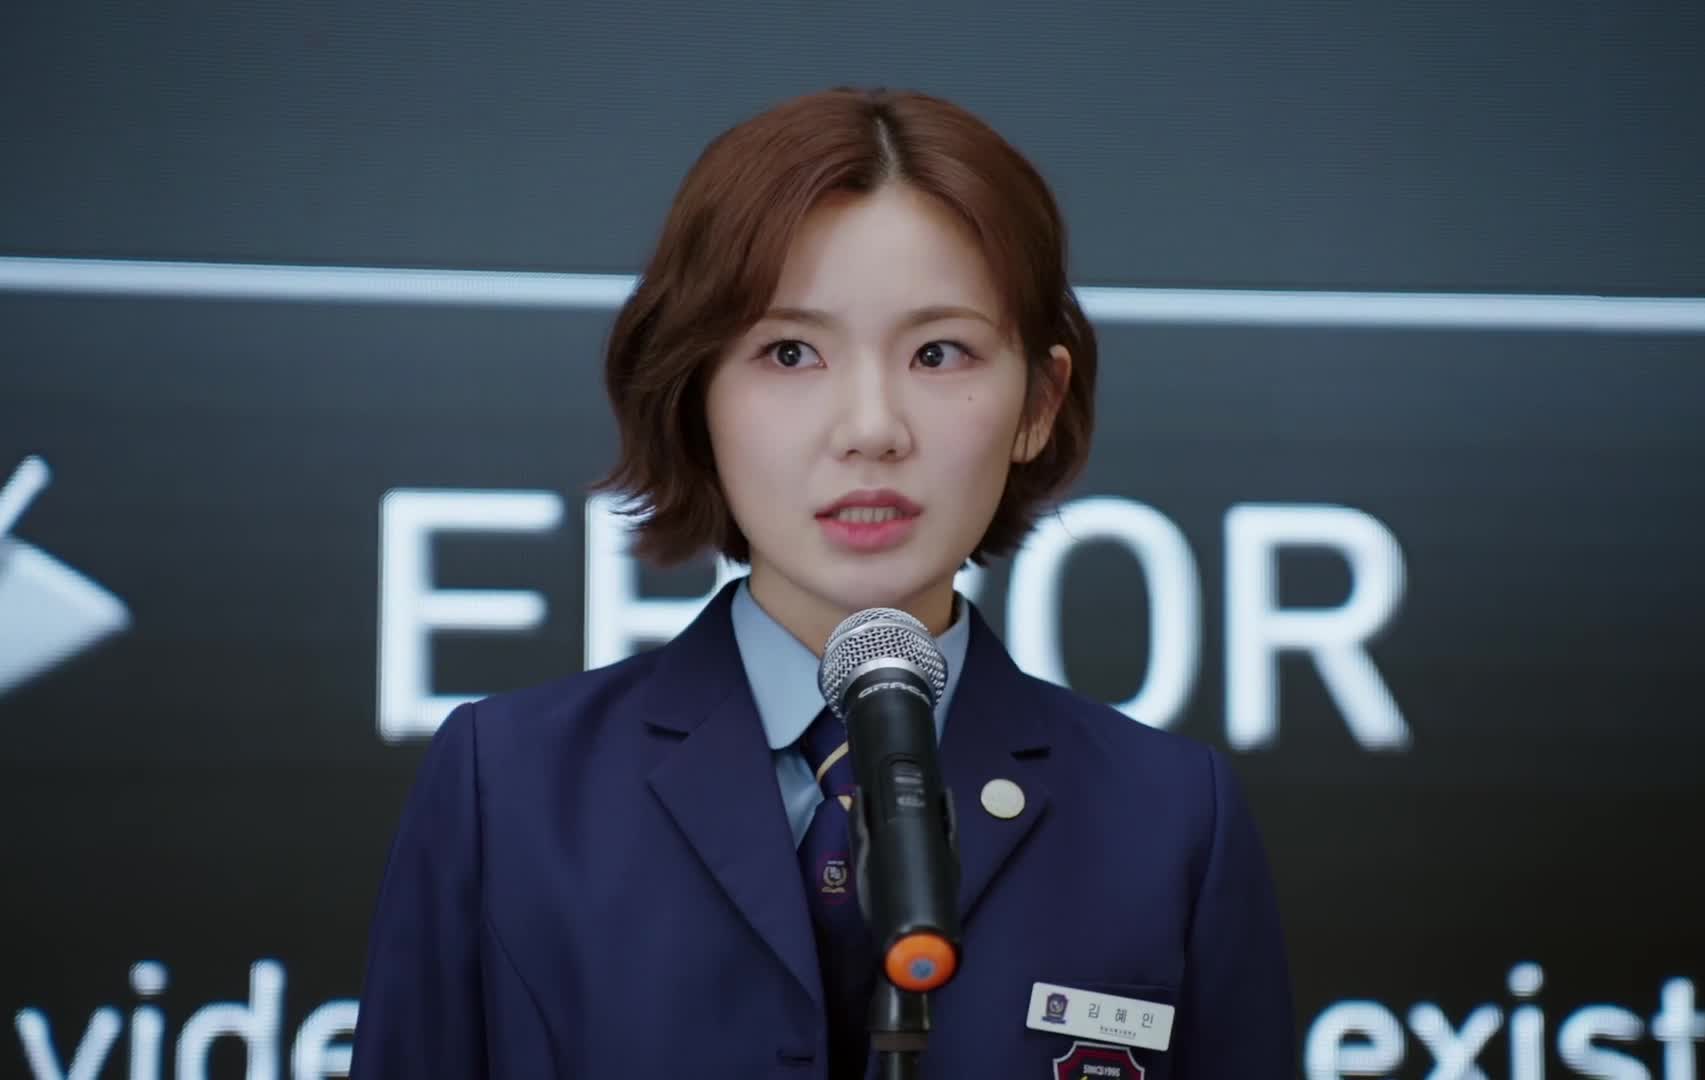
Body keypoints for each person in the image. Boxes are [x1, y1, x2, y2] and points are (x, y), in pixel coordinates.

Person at [349, 86, 1293, 1079]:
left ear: (1038, 403)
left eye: (939, 352)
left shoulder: (1170, 820)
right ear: (694, 396)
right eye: (790, 352)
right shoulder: (509, 789)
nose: (871, 428)